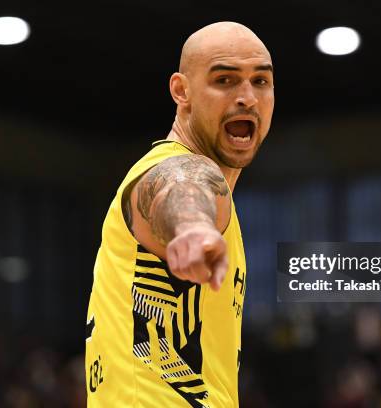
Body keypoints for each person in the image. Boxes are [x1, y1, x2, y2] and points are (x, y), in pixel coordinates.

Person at [85, 21, 274, 407]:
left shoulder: (225, 202)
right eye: (225, 80)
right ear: (181, 90)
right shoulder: (173, 167)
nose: (248, 98)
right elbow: (180, 187)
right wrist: (192, 228)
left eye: (260, 81)